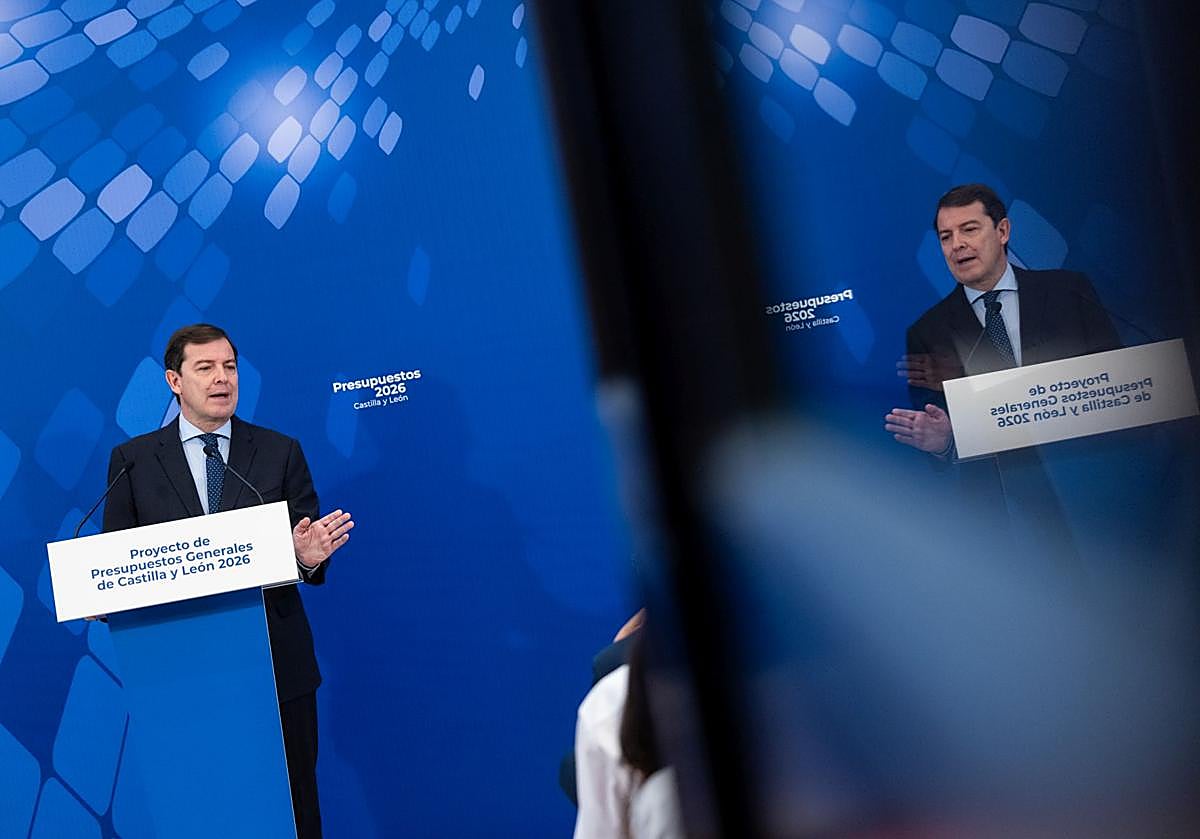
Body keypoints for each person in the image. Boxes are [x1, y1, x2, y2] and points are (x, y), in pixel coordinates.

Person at [102, 323, 353, 839]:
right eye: (206, 368)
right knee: (200, 813)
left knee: (292, 808)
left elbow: (308, 554)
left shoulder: (280, 451)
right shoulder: (133, 462)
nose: (223, 378)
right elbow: (116, 562)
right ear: (174, 381)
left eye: (230, 367)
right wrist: (103, 593)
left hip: (277, 670)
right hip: (182, 678)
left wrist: (305, 558)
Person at [885, 183, 1120, 456]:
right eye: (945, 237)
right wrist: (946, 443)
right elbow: (941, 431)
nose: (957, 244)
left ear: (1002, 231)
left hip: (1093, 460)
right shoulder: (926, 333)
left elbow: (1115, 383)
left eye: (969, 229)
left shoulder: (1069, 291)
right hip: (1004, 479)